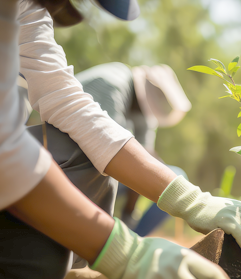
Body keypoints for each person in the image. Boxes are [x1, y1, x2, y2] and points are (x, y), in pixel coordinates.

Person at [0, 0, 241, 279]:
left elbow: (67, 102)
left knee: (85, 177)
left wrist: (192, 200)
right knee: (37, 258)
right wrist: (124, 253)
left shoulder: (23, 3)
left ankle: (71, 248)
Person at [75, 62, 190, 236]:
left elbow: (145, 161)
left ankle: (132, 239)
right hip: (70, 167)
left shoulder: (142, 112)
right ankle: (98, 237)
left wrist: (129, 214)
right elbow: (108, 150)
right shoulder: (112, 85)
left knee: (177, 177)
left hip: (96, 171)